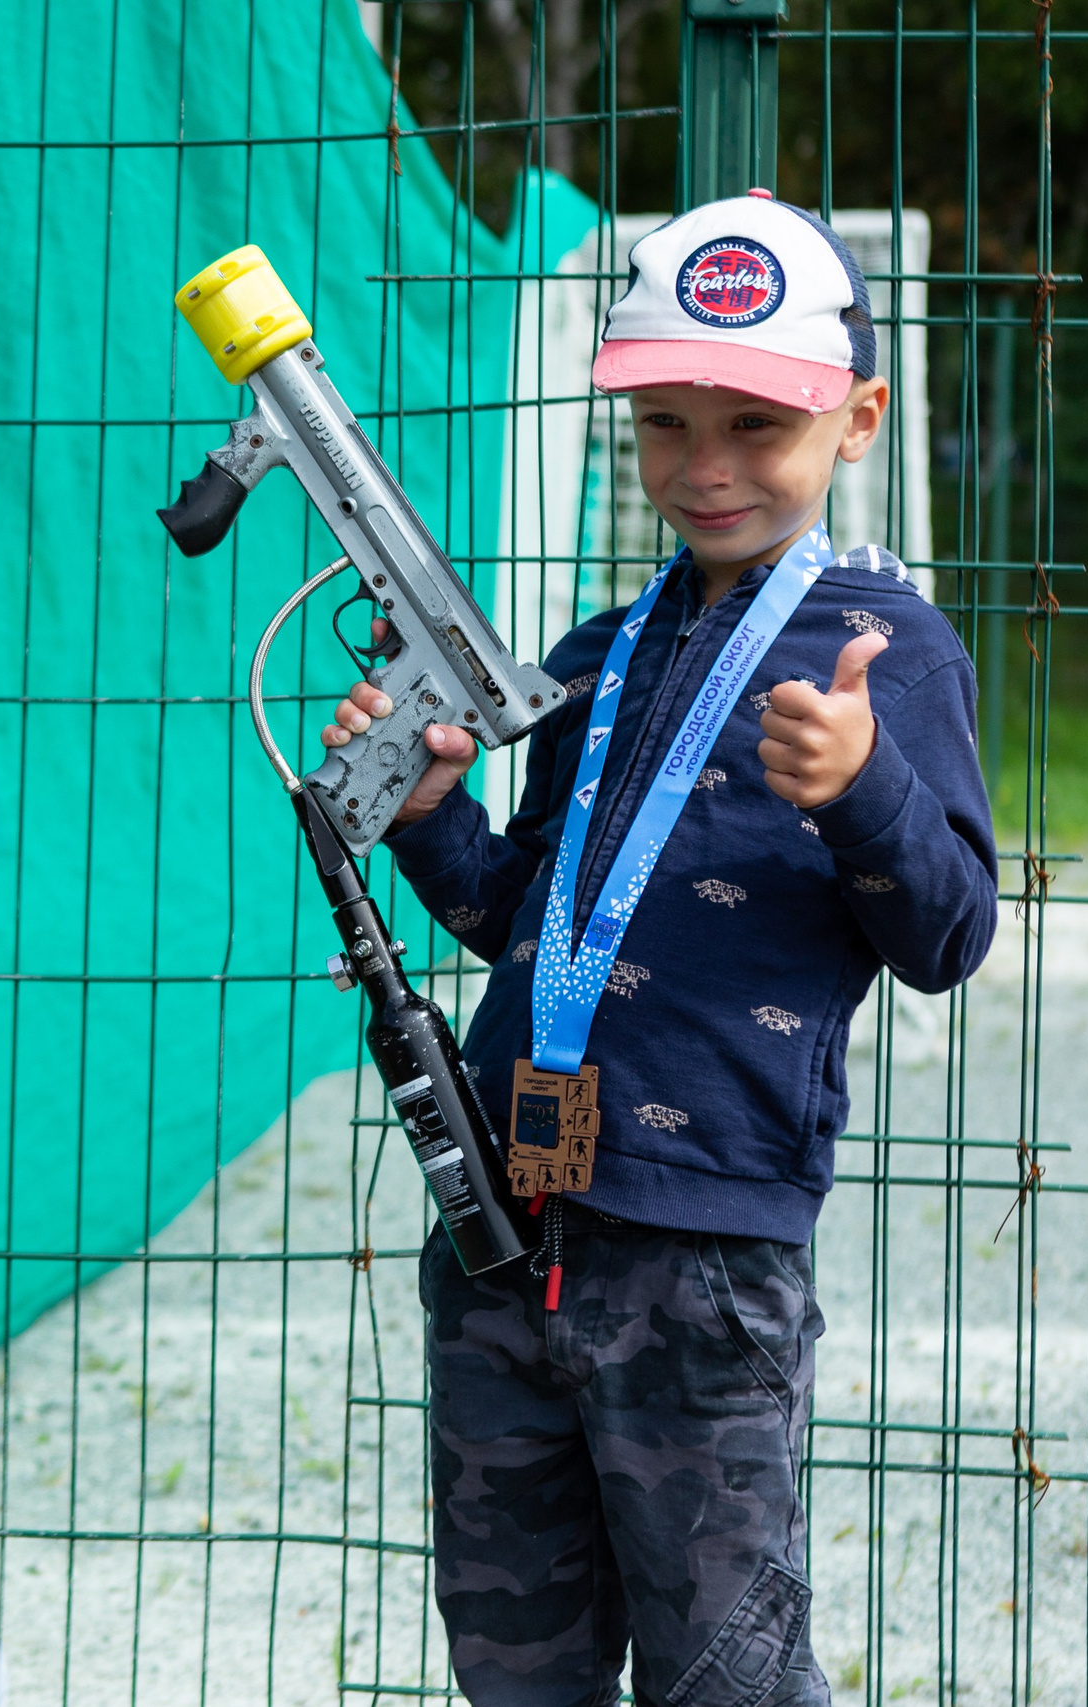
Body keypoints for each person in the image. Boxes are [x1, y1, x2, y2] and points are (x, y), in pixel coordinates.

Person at [324, 194, 997, 1707]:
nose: (704, 470)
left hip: (707, 1262)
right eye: (666, 424)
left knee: (726, 1680)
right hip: (500, 1232)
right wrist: (432, 813)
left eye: (756, 426)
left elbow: (950, 935)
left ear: (859, 418)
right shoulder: (595, 656)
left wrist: (865, 789)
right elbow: (516, 917)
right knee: (516, 1665)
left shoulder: (885, 651)